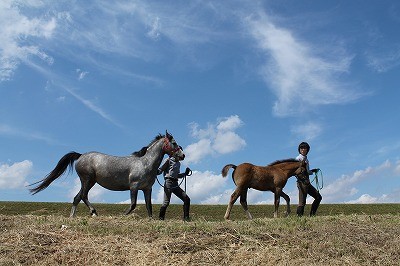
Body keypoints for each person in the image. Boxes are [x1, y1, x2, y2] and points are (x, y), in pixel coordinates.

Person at [158, 150, 192, 221]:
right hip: (169, 183)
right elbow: (160, 170)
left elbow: (177, 175)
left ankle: (186, 218)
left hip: (175, 184)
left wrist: (185, 173)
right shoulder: (169, 160)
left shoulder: (178, 163)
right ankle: (161, 219)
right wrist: (154, 171)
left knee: (186, 199)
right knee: (166, 203)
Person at [295, 142, 322, 216]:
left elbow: (307, 171)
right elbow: (296, 171)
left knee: (318, 197)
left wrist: (313, 171)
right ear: (299, 149)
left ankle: (312, 215)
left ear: (307, 150)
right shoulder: (298, 158)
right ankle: (299, 219)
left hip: (307, 183)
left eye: (305, 148)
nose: (303, 150)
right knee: (302, 202)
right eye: (302, 148)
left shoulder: (306, 159)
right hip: (301, 182)